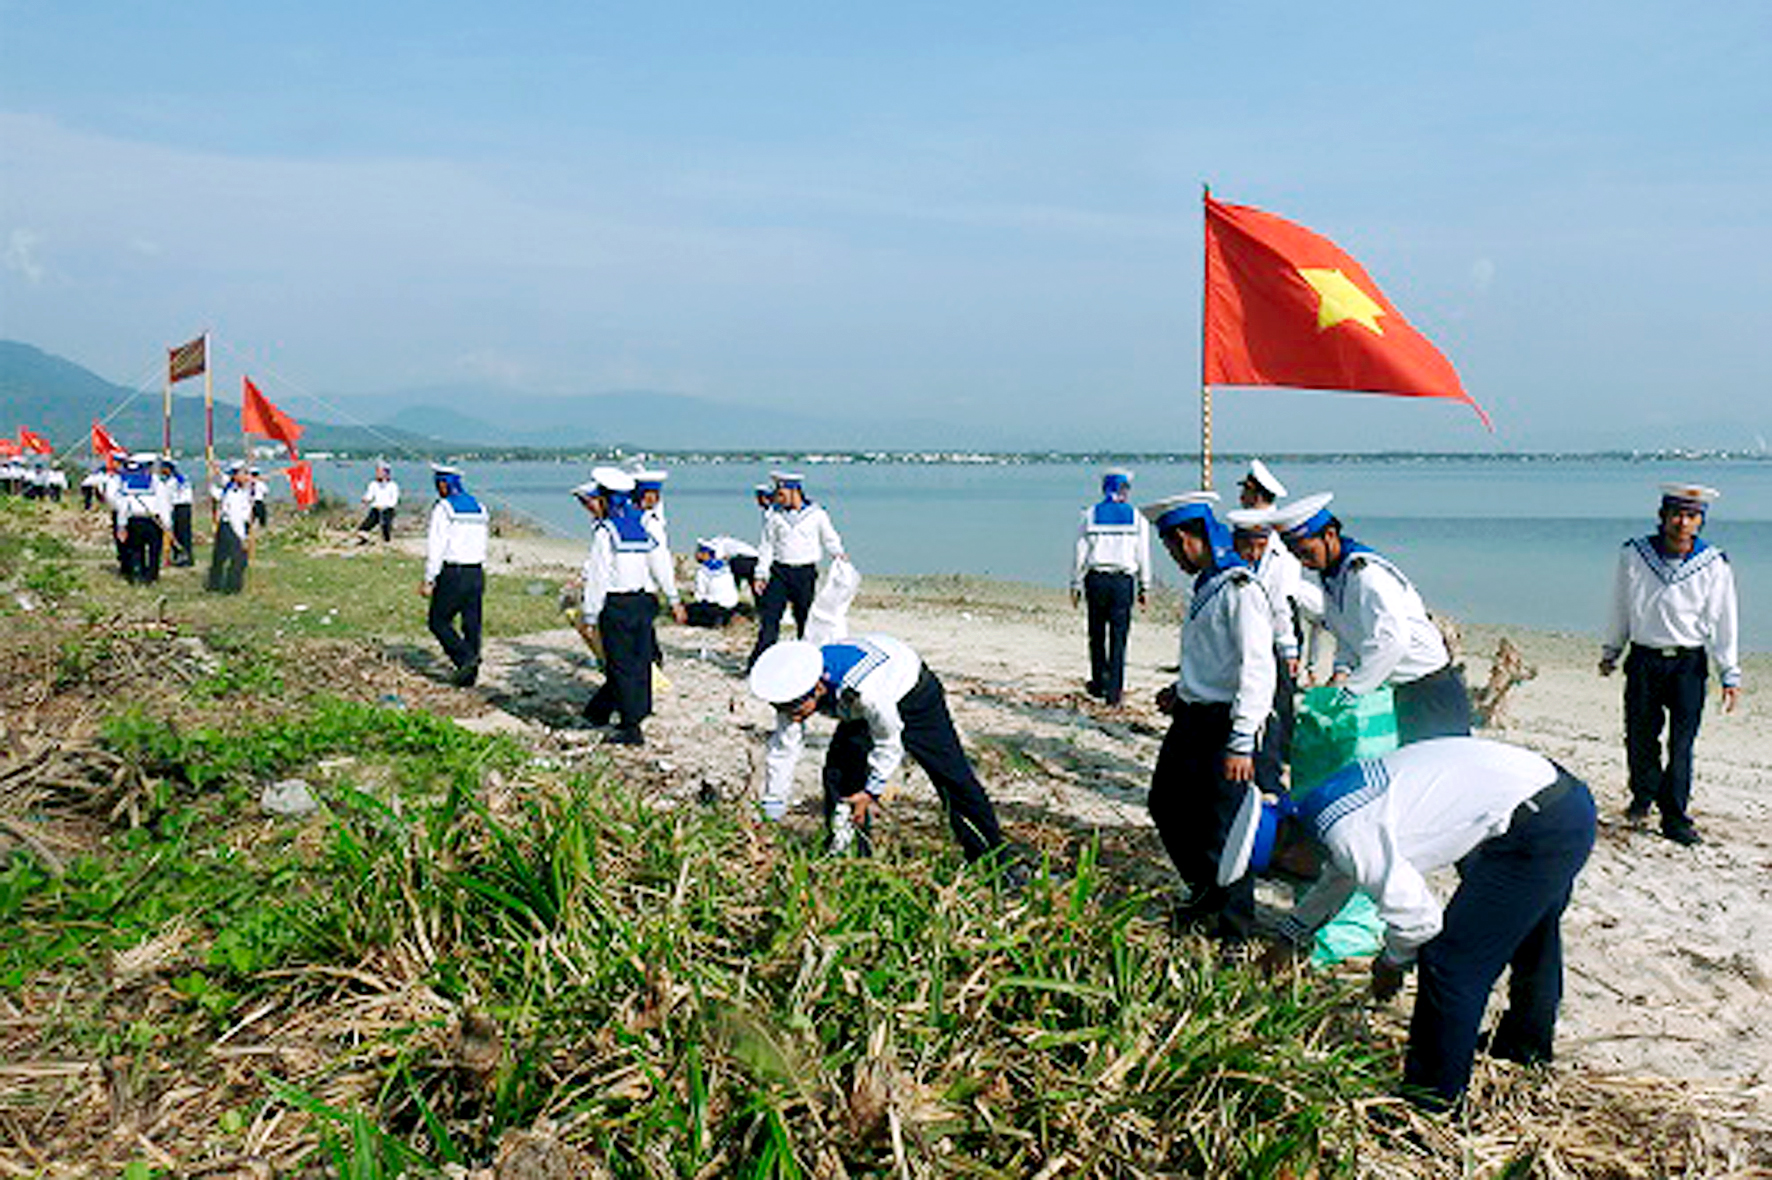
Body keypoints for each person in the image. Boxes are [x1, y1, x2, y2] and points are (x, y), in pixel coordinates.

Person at [1224, 736, 1597, 1111]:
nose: (1291, 883)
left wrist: (1392, 963)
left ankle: (1430, 1104)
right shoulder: (1321, 810)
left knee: (1449, 962)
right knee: (1530, 931)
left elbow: (1419, 922)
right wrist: (1290, 937)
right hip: (1556, 800)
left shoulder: (1347, 834)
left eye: (1281, 874)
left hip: (1541, 828)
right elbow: (1339, 877)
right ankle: (1524, 1048)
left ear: (1287, 853)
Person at [749, 635, 1012, 866]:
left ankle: (993, 861)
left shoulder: (865, 692)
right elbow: (783, 750)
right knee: (839, 775)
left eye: (795, 710)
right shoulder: (793, 693)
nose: (792, 718)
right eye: (782, 709)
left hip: (911, 692)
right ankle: (848, 855)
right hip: (857, 707)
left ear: (818, 688)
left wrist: (872, 790)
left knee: (952, 778)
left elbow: (888, 740)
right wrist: (771, 813)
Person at [1139, 490, 1274, 941]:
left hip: (1226, 722)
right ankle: (1205, 890)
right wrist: (1181, 689)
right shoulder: (1209, 584)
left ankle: (1236, 928)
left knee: (1226, 826)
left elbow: (1257, 667)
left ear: (1185, 538)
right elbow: (1214, 655)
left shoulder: (1240, 588)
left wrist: (1242, 740)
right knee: (1167, 803)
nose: (1174, 559)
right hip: (1193, 715)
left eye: (1172, 549)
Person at [1599, 483, 1741, 846]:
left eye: (1691, 516)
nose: (1682, 522)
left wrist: (1729, 672)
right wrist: (1612, 650)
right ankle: (1643, 796)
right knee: (1640, 737)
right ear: (1662, 516)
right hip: (1644, 659)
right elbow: (1620, 604)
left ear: (1700, 522)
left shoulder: (1713, 563)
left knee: (1681, 744)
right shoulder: (1635, 554)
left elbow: (1724, 619)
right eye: (1676, 514)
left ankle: (1675, 817)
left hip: (1688, 664)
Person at [1270, 492, 1471, 745]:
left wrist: (1352, 691)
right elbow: (1349, 632)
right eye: (1296, 555)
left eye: (1307, 552)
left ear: (1329, 535)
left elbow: (1392, 641)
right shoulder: (1333, 575)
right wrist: (1341, 671)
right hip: (1402, 691)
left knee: (1442, 763)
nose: (1304, 562)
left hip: (1431, 690)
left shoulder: (1367, 575)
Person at [578, 467, 685, 744]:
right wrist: (673, 597)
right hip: (641, 600)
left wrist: (589, 615)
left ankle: (630, 726)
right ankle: (636, 711)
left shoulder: (606, 531)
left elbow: (599, 576)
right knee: (640, 661)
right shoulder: (639, 528)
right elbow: (658, 563)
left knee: (620, 665)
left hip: (617, 603)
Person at [1071, 468, 1153, 706]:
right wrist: (1145, 585)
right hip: (1122, 582)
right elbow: (1143, 554)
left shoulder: (1090, 514)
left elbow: (1080, 552)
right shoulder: (1137, 517)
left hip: (1096, 579)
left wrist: (1075, 582)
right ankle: (1114, 691)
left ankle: (1099, 683)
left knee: (1096, 633)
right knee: (1119, 636)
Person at [748, 471, 846, 668]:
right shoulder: (775, 516)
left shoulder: (816, 514)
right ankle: (757, 665)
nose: (778, 499)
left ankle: (807, 664)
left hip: (804, 574)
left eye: (781, 494)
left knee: (804, 620)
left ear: (794, 491)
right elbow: (767, 545)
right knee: (770, 620)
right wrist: (760, 574)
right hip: (779, 573)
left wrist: (839, 555)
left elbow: (829, 538)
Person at [421, 464, 489, 686]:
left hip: (454, 572)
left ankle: (466, 659)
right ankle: (469, 676)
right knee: (472, 624)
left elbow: (436, 545)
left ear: (444, 485)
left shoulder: (444, 508)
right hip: (476, 571)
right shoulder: (480, 507)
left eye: (438, 484)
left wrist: (429, 578)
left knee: (438, 621)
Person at [110, 453, 172, 584]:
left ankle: (137, 575)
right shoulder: (156, 482)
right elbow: (163, 504)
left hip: (134, 520)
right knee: (153, 550)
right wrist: (167, 523)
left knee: (136, 549)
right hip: (152, 520)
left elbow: (123, 506)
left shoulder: (127, 483)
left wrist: (121, 524)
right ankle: (151, 576)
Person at [205, 461, 254, 594]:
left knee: (220, 557)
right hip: (231, 527)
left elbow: (223, 480)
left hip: (228, 526)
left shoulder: (239, 489)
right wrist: (242, 537)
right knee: (238, 558)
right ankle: (231, 587)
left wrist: (217, 471)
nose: (247, 476)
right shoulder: (233, 492)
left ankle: (214, 584)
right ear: (236, 476)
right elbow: (235, 517)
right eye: (243, 474)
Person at [687, 539, 740, 628]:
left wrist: (694, 594)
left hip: (715, 606)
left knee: (692, 610)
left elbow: (700, 595)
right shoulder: (726, 567)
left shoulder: (702, 571)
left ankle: (715, 620)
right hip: (731, 605)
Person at [158, 458, 196, 567]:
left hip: (179, 507)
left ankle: (183, 557)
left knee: (180, 534)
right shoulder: (182, 478)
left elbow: (167, 498)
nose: (161, 470)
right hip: (185, 507)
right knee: (184, 533)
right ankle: (183, 556)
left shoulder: (172, 482)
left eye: (163, 468)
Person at [358, 461, 400, 542]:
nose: (378, 474)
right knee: (363, 528)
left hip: (387, 510)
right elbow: (370, 496)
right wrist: (365, 499)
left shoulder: (393, 485)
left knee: (385, 526)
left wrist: (385, 506)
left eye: (380, 472)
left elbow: (394, 500)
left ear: (386, 473)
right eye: (377, 471)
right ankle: (365, 540)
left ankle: (386, 541)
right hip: (376, 509)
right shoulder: (373, 484)